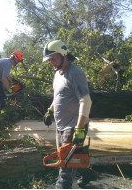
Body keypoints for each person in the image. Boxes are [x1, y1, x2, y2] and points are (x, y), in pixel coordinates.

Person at [42, 40, 94, 189]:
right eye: (49, 59)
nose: (50, 62)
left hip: (73, 125)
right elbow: (58, 97)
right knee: (71, 157)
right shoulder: (57, 75)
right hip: (61, 124)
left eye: (53, 58)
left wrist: (79, 128)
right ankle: (86, 173)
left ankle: (62, 185)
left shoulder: (75, 73)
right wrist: (50, 110)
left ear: (64, 55)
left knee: (64, 162)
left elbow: (86, 101)